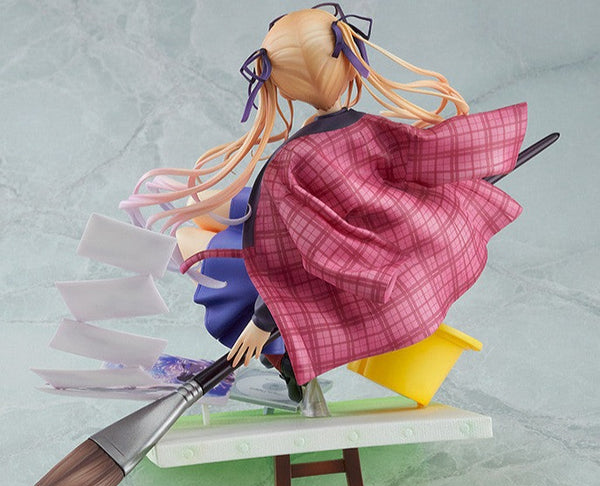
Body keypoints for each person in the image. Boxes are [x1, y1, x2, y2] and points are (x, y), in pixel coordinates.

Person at [120, 4, 527, 409]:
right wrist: (465, 191)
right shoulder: (374, 130)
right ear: (351, 62)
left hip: (334, 281)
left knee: (196, 240)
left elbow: (289, 262)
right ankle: (284, 353)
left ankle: (284, 355)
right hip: (373, 262)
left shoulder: (288, 166)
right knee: (211, 210)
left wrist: (262, 323)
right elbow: (430, 161)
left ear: (280, 86)